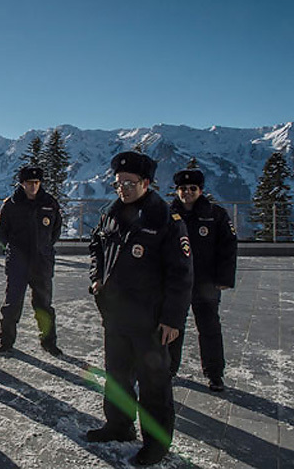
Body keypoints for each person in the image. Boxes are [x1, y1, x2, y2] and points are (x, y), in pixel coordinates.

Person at [87, 151, 193, 466]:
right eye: (118, 183)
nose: (123, 189)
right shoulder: (110, 213)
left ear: (147, 183)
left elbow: (182, 274)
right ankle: (119, 426)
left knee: (153, 384)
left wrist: (173, 319)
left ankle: (156, 444)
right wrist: (96, 277)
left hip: (151, 319)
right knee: (117, 376)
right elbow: (96, 245)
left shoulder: (165, 218)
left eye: (130, 183)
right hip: (116, 314)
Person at [168, 168, 237, 392]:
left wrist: (224, 278)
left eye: (192, 188)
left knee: (209, 329)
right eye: (182, 188)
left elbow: (228, 247)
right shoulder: (167, 214)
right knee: (172, 327)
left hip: (205, 283)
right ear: (177, 191)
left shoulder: (215, 214)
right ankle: (168, 370)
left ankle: (215, 374)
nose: (187, 192)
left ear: (200, 190)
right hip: (176, 284)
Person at [0, 166, 63, 357]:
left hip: (41, 262)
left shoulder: (49, 203)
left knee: (44, 304)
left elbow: (55, 230)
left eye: (36, 183)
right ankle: (5, 341)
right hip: (18, 262)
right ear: (22, 184)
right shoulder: (11, 204)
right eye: (29, 183)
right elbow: (2, 231)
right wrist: (15, 250)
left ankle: (49, 342)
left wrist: (44, 247)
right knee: (12, 304)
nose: (33, 186)